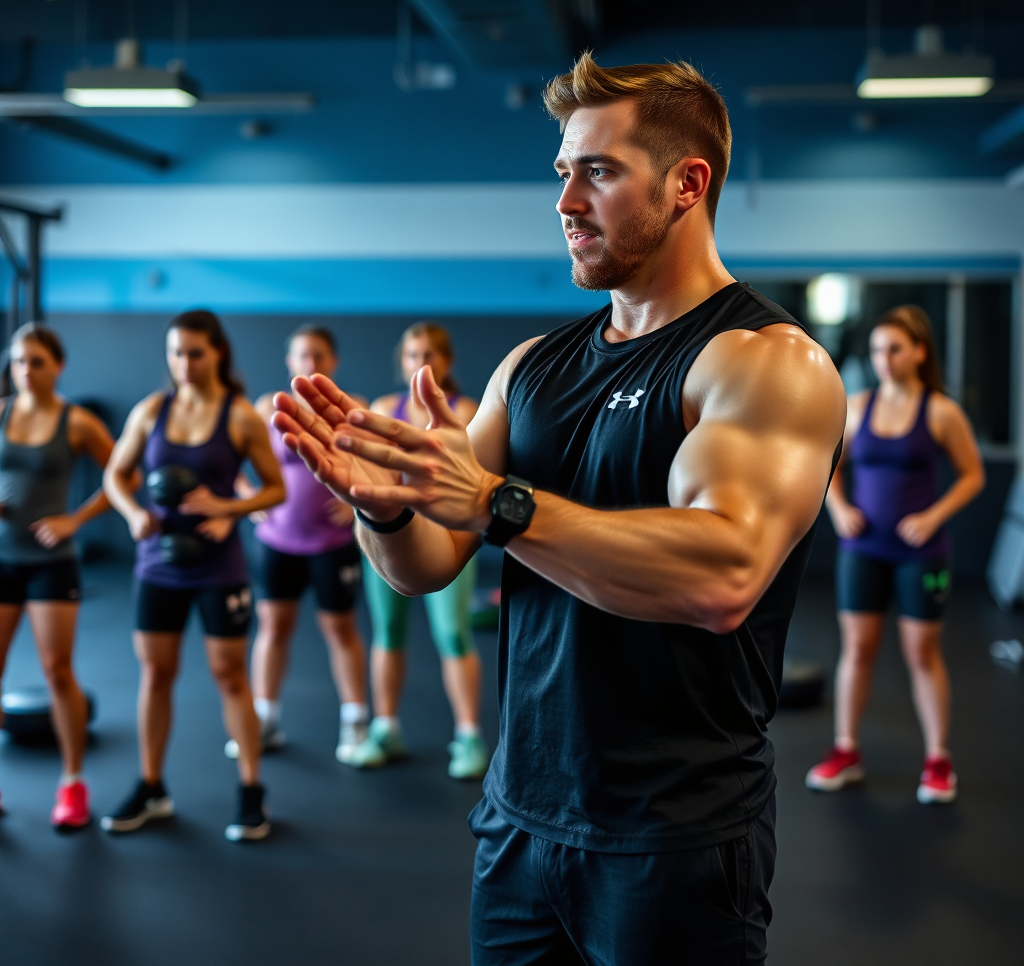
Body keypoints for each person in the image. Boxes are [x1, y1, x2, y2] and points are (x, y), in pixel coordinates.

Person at [273, 54, 847, 965]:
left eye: (599, 172)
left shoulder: (761, 362)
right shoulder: (531, 367)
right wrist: (382, 509)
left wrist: (498, 503)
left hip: (675, 838)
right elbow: (427, 565)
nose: (565, 202)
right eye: (563, 173)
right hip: (520, 821)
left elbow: (725, 574)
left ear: (686, 184)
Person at [101, 309, 285, 842]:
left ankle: (251, 790)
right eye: (176, 352)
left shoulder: (239, 417)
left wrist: (230, 507)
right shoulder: (150, 411)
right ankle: (152, 785)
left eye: (195, 353)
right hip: (157, 565)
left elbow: (275, 490)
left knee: (231, 676)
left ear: (218, 353)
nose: (184, 363)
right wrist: (134, 514)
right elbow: (116, 474)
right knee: (155, 675)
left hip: (218, 567)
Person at [806, 305, 984, 803]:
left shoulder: (941, 412)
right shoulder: (857, 406)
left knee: (921, 654)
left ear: (919, 353)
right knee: (857, 651)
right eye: (878, 349)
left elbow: (973, 476)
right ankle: (846, 750)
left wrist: (933, 515)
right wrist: (837, 509)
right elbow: (828, 465)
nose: (884, 358)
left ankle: (938, 760)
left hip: (920, 554)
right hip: (863, 549)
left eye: (895, 349)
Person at [345, 322, 488, 780]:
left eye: (429, 354)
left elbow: (478, 481)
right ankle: (385, 728)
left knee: (454, 635)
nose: (420, 362)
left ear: (446, 361)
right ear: (401, 361)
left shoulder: (469, 411)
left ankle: (468, 735)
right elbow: (364, 473)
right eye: (411, 355)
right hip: (392, 538)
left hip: (448, 537)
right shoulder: (385, 409)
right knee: (387, 632)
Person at [228, 324, 370, 762]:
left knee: (340, 630)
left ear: (334, 362)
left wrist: (357, 505)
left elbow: (381, 466)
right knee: (272, 628)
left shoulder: (354, 408)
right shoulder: (267, 407)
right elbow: (229, 459)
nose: (311, 364)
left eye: (319, 356)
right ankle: (265, 720)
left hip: (332, 542)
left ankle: (356, 723)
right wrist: (244, 496)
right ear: (290, 361)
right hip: (278, 542)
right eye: (303, 356)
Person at [0, 323, 119, 829]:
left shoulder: (77, 422)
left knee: (58, 673)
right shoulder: (1, 412)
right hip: (3, 558)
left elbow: (124, 476)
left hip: (52, 562)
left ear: (58, 365)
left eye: (37, 361)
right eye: (19, 361)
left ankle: (72, 784)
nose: (26, 370)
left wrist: (75, 519)